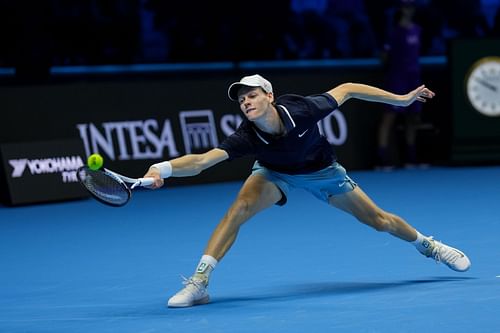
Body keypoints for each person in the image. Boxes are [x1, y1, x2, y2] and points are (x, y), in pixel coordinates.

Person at [143, 74, 471, 308]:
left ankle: (429, 246)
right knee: (238, 208)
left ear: (269, 96)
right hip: (275, 174)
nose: (246, 102)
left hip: (322, 172)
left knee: (379, 220)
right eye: (242, 100)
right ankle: (200, 283)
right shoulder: (246, 136)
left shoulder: (302, 109)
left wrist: (400, 100)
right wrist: (163, 169)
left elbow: (348, 89)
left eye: (252, 95)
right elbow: (201, 161)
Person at [376, 0, 423, 169]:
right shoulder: (393, 32)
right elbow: (384, 57)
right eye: (405, 6)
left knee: (413, 118)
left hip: (414, 80)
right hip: (396, 79)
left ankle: (411, 158)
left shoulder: (418, 30)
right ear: (401, 9)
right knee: (389, 117)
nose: (408, 9)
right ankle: (383, 158)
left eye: (411, 6)